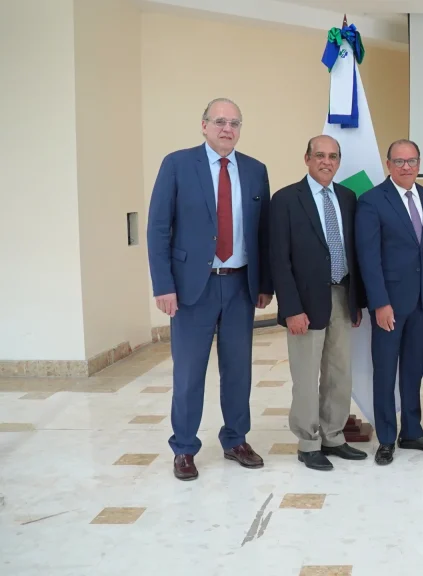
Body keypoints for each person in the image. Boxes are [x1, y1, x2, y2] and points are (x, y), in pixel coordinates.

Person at [147, 97, 273, 481]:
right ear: (203, 125)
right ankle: (184, 447)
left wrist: (264, 283)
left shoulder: (255, 170)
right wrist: (163, 285)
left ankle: (235, 440)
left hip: (240, 286)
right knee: (189, 373)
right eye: (219, 121)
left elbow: (263, 232)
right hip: (192, 289)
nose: (227, 129)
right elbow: (158, 228)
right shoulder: (177, 164)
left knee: (238, 371)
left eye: (234, 123)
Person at [269, 135, 368, 471]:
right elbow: (279, 259)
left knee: (339, 372)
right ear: (307, 158)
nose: (327, 162)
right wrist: (291, 308)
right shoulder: (285, 199)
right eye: (320, 155)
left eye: (333, 156)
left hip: (342, 295)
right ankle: (309, 442)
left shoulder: (348, 197)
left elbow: (353, 252)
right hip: (305, 302)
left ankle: (333, 436)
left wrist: (356, 301)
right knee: (306, 375)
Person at [355, 139, 423, 465]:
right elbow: (368, 258)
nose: (406, 167)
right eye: (399, 161)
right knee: (384, 371)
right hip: (389, 305)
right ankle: (385, 438)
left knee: (412, 369)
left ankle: (412, 431)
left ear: (419, 164)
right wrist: (380, 303)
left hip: (422, 302)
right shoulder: (371, 201)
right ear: (388, 164)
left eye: (411, 161)